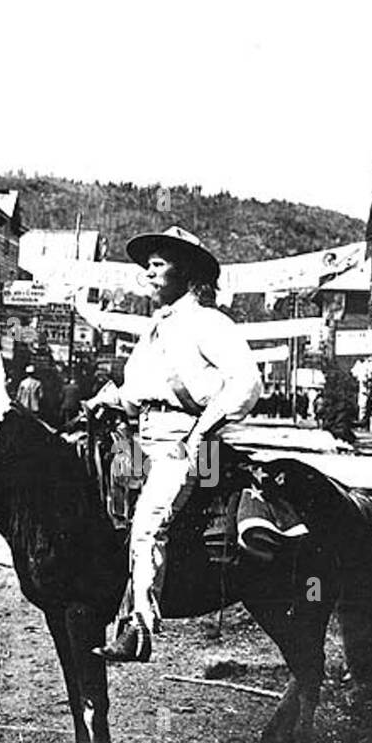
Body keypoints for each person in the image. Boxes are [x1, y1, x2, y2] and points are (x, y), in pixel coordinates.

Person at [86, 226, 262, 662]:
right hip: (140, 440)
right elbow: (135, 393)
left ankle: (139, 627)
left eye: (158, 264)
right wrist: (104, 401)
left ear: (186, 272)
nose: (148, 273)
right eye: (147, 265)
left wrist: (202, 431)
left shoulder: (209, 323)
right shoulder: (154, 329)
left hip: (188, 445)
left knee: (148, 520)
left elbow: (247, 383)